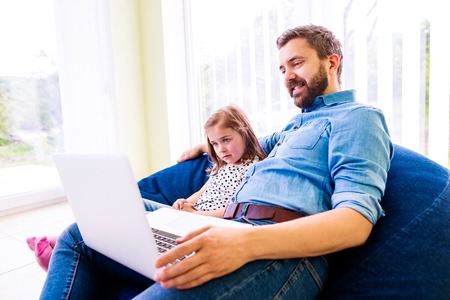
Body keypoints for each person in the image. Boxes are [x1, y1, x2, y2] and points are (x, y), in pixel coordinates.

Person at [40, 24, 393, 299]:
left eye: (297, 63)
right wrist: (207, 145)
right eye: (282, 68)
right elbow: (249, 142)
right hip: (228, 227)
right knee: (81, 233)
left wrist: (242, 245)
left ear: (331, 62)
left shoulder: (359, 118)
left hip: (279, 252)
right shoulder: (295, 126)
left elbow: (355, 222)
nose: (287, 76)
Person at [171, 104, 266, 217]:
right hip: (194, 214)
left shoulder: (253, 169)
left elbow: (236, 210)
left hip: (208, 221)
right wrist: (184, 203)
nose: (221, 150)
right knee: (146, 209)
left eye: (226, 140)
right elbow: (201, 193)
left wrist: (195, 214)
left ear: (244, 134)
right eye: (215, 144)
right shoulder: (220, 165)